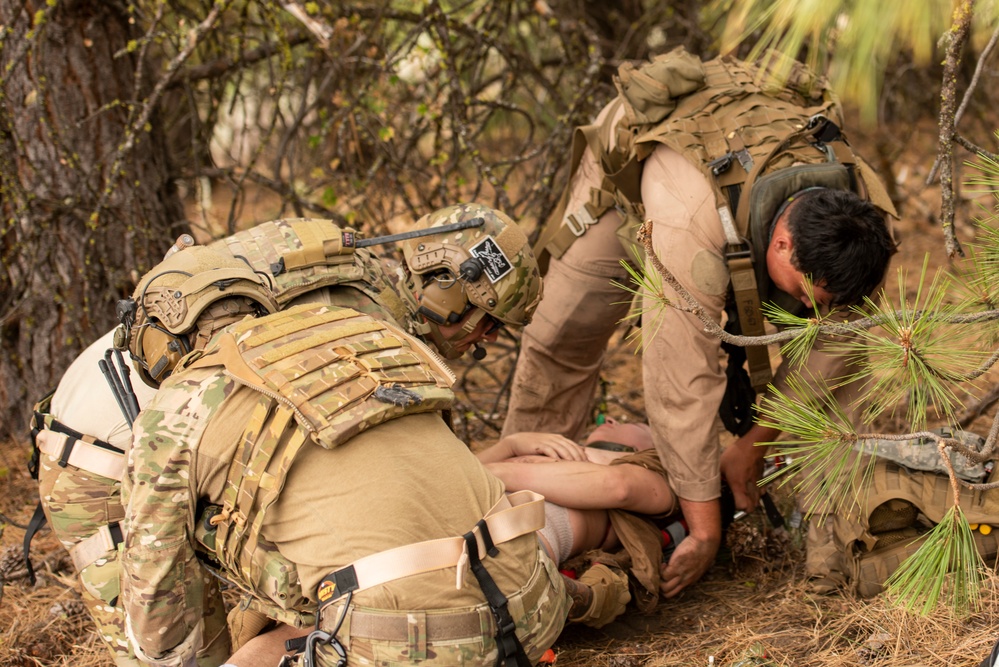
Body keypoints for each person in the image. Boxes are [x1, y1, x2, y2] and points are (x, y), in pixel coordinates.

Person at [503, 48, 897, 597]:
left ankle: (834, 545)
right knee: (561, 335)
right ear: (781, 244)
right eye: (808, 295)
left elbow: (835, 349)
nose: (809, 311)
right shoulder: (689, 218)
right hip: (643, 163)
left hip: (748, 152)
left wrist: (752, 444)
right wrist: (706, 529)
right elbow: (680, 378)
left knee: (843, 370)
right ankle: (518, 508)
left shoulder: (860, 223)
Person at [120, 205, 573, 667]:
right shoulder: (366, 334)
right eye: (487, 323)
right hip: (535, 609)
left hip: (405, 645)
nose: (485, 339)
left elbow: (154, 592)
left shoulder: (174, 411)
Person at [27, 246, 278, 667]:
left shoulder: (232, 291)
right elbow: (154, 569)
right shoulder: (192, 393)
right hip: (96, 475)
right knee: (182, 649)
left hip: (131, 440)